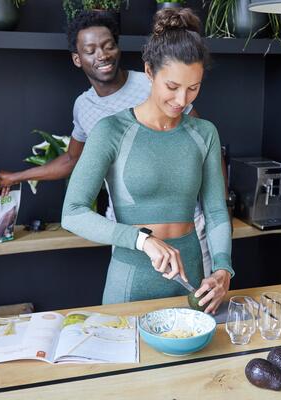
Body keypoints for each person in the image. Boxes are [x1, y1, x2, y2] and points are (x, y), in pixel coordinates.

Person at [0, 11, 221, 277]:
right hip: (128, 231)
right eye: (90, 50)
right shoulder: (85, 107)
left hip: (187, 227)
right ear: (77, 59)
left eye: (108, 45)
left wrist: (217, 210)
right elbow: (72, 159)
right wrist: (18, 176)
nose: (101, 55)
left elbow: (199, 146)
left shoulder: (158, 84)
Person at [62, 8, 233, 313]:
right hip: (130, 280)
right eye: (172, 87)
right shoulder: (110, 130)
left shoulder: (204, 133)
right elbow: (72, 213)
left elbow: (217, 211)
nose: (182, 100)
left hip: (191, 278)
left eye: (193, 88)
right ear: (150, 72)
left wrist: (222, 269)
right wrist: (142, 240)